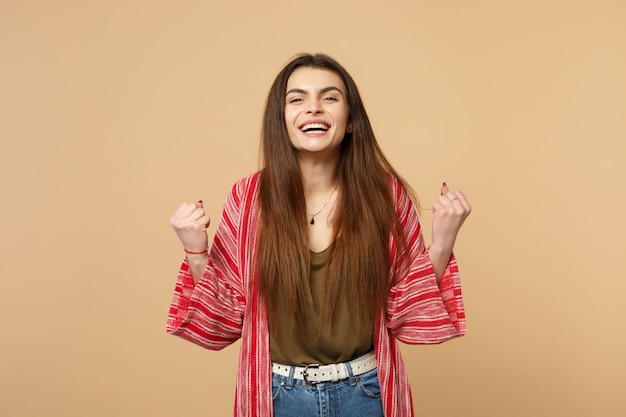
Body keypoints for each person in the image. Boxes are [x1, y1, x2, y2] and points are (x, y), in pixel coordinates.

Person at [166, 53, 471, 417]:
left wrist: (441, 243)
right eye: (297, 99)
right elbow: (226, 318)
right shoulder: (248, 198)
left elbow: (408, 313)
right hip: (277, 397)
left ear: (352, 120)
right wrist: (195, 251)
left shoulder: (384, 195)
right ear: (281, 120)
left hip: (367, 393)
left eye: (329, 97)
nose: (314, 109)